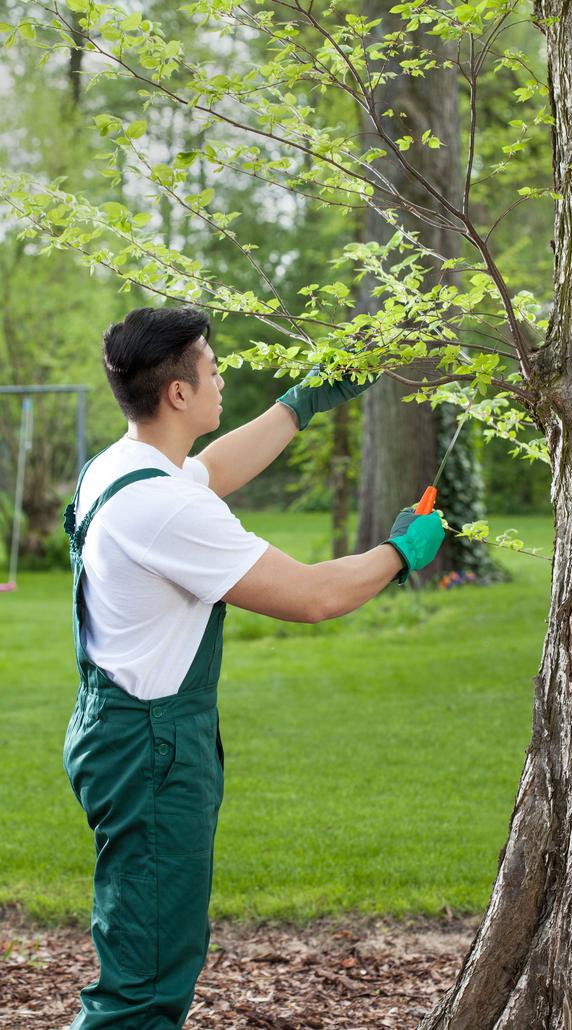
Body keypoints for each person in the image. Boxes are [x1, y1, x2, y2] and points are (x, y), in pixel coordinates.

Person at [62, 306, 445, 1029]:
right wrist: (401, 554)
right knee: (142, 986)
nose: (221, 376)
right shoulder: (165, 508)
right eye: (212, 368)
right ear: (178, 393)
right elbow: (313, 596)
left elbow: (212, 469)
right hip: (151, 753)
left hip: (118, 731)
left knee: (150, 949)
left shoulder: (123, 465)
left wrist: (299, 404)